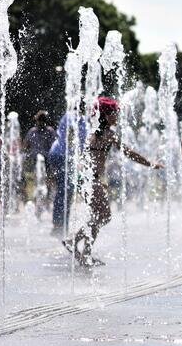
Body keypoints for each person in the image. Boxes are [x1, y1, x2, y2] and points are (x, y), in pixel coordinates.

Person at [63, 97, 160, 267]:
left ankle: (86, 252)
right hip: (89, 180)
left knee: (98, 216)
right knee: (104, 216)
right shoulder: (107, 134)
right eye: (115, 113)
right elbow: (129, 153)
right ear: (106, 115)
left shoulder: (94, 132)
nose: (117, 116)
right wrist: (150, 164)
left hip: (86, 179)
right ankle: (74, 241)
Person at [48, 109, 87, 235]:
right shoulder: (73, 117)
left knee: (66, 191)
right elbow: (71, 134)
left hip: (63, 155)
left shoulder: (79, 118)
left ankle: (61, 225)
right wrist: (77, 158)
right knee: (64, 190)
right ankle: (59, 225)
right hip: (62, 155)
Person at [24, 110, 57, 204]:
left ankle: (47, 199)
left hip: (47, 159)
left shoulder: (50, 131)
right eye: (39, 120)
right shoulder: (32, 131)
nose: (41, 123)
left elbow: (54, 145)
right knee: (39, 179)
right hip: (36, 159)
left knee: (48, 179)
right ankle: (38, 200)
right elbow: (26, 145)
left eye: (42, 121)